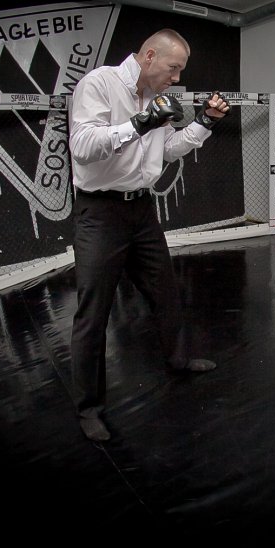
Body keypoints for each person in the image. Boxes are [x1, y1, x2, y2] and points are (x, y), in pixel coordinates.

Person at [68, 29, 230, 442]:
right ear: (150, 56)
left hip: (140, 210)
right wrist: (141, 122)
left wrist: (205, 123)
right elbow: (83, 145)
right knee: (93, 311)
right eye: (173, 68)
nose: (176, 78)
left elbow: (167, 149)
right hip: (99, 213)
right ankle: (88, 407)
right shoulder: (99, 83)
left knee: (165, 290)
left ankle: (178, 360)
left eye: (180, 71)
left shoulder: (158, 99)